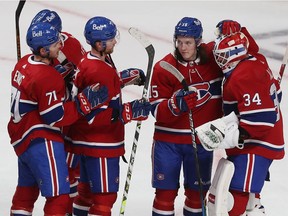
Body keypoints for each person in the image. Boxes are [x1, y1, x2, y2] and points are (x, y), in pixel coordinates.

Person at [8, 22, 108, 216]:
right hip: (42, 141)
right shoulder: (46, 76)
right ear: (44, 50)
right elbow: (55, 117)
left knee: (25, 195)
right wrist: (83, 103)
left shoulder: (23, 64)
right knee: (60, 198)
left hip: (22, 140)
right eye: (55, 44)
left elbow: (36, 87)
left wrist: (56, 76)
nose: (60, 46)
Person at [66, 16, 151, 216]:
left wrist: (122, 79)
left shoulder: (87, 61)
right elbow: (94, 117)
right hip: (100, 145)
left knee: (85, 194)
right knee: (104, 199)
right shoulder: (99, 70)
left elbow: (100, 92)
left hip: (84, 143)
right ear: (99, 43)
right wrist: (128, 112)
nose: (115, 42)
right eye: (111, 39)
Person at [196, 31, 284, 215]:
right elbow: (270, 98)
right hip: (259, 143)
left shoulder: (243, 75)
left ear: (233, 54)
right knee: (247, 197)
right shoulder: (254, 61)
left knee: (234, 196)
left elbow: (262, 119)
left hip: (256, 146)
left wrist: (232, 136)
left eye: (221, 55)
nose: (218, 59)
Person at [149, 17, 224, 216]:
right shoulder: (164, 67)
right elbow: (156, 111)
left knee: (197, 194)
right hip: (168, 143)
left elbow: (245, 51)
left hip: (201, 141)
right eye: (179, 41)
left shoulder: (214, 58)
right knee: (165, 194)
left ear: (198, 42)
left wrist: (234, 30)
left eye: (188, 42)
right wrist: (175, 105)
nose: (183, 47)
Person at [30, 9, 86, 215]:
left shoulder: (70, 44)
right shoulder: (40, 44)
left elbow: (86, 74)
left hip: (69, 115)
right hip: (44, 118)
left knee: (71, 169)